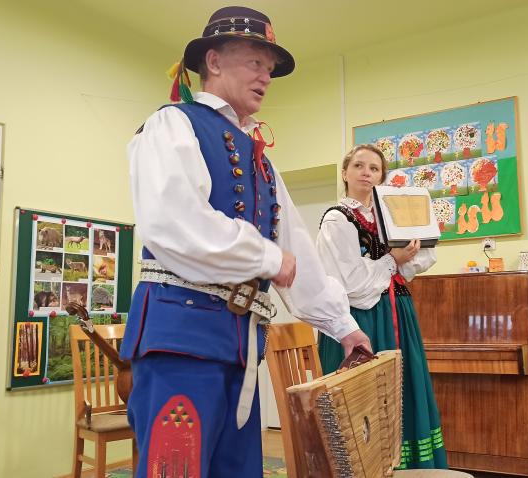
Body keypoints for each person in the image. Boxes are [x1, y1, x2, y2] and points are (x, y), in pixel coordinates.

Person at [120, 7, 371, 477]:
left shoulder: (262, 162)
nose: (266, 77)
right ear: (213, 61)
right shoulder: (173, 124)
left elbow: (298, 250)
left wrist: (343, 326)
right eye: (255, 62)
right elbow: (174, 221)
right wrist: (266, 257)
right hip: (180, 345)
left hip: (241, 351)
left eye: (270, 69)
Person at [315, 144, 448, 469]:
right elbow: (350, 282)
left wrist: (403, 256)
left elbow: (421, 258)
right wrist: (392, 260)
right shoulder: (337, 219)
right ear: (345, 173)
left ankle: (407, 469)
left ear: (381, 177)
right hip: (360, 318)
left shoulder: (391, 216)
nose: (366, 173)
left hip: (398, 310)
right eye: (359, 166)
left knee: (404, 388)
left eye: (374, 169)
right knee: (362, 399)